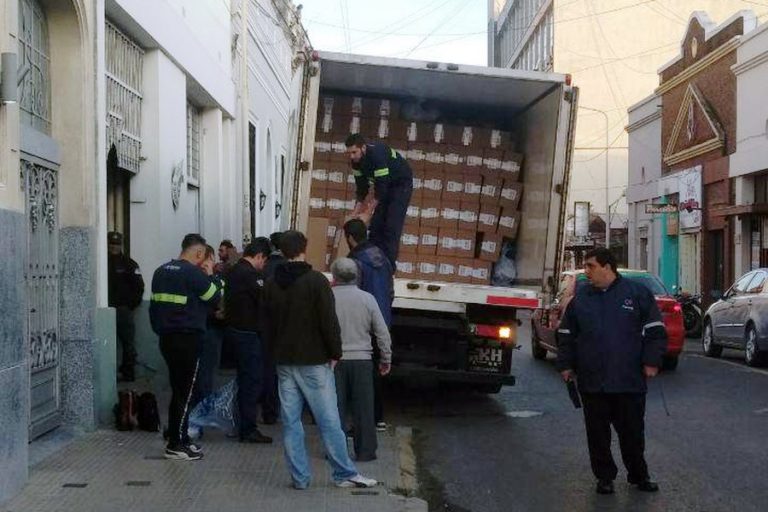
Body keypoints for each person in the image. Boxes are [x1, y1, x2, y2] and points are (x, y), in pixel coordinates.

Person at [262, 230, 377, 490]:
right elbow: (328, 321)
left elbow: (266, 325)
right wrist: (335, 353)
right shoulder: (316, 281)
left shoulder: (270, 283)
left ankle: (300, 478)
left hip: (284, 363)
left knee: (291, 423)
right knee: (329, 420)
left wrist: (272, 355)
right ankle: (344, 472)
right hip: (313, 361)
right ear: (304, 249)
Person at [555, 248, 667, 495]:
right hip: (593, 382)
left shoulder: (637, 294)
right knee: (597, 435)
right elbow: (566, 335)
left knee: (632, 434)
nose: (587, 272)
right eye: (585, 267)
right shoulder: (581, 299)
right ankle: (604, 477)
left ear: (607, 267)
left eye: (591, 266)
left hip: (628, 381)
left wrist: (652, 361)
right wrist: (565, 365)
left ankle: (639, 476)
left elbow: (655, 331)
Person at [150, 234, 222, 461]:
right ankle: (175, 444)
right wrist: (213, 276)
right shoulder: (192, 273)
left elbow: (154, 307)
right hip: (188, 339)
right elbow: (214, 297)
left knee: (178, 390)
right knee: (186, 392)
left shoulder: (161, 271)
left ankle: (180, 437)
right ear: (199, 253)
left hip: (167, 338)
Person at [330, 258, 392, 461]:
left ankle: (336, 452)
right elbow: (382, 332)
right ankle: (365, 451)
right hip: (362, 360)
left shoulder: (327, 297)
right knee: (364, 409)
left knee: (335, 408)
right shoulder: (368, 299)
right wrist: (385, 358)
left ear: (334, 276)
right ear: (357, 276)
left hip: (334, 361)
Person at [343, 218, 393, 431]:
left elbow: (351, 295)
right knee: (375, 373)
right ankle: (378, 418)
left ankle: (359, 424)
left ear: (350, 238)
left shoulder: (356, 262)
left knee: (359, 377)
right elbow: (390, 291)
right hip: (382, 320)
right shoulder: (382, 257)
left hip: (362, 324)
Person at [224, 237, 273, 444]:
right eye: (264, 261)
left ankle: (241, 424)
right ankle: (248, 428)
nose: (264, 266)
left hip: (236, 331)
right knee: (251, 381)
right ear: (260, 256)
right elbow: (264, 300)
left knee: (244, 380)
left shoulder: (234, 271)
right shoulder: (250, 274)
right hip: (248, 334)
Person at [346, 133, 413, 268]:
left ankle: (388, 267)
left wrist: (368, 213)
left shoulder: (377, 154)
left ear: (363, 148)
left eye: (354, 152)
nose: (352, 156)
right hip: (385, 185)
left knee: (391, 226)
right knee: (376, 226)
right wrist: (355, 213)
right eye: (349, 153)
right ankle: (373, 263)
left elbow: (381, 188)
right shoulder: (356, 162)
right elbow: (362, 188)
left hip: (400, 185)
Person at [107, 231, 145, 382]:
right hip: (106, 309)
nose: (113, 247)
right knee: (108, 343)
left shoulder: (129, 264)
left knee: (128, 344)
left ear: (121, 245)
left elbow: (139, 287)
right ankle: (109, 374)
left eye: (116, 244)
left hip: (123, 310)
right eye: (111, 244)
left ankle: (128, 372)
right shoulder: (103, 262)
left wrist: (130, 306)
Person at [193, 245, 225, 407]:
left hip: (212, 330)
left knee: (207, 372)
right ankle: (200, 407)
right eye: (210, 259)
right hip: (198, 330)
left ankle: (204, 405)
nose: (212, 262)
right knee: (198, 373)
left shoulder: (217, 279)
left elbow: (220, 300)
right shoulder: (194, 277)